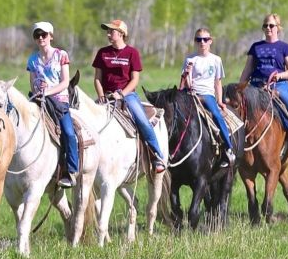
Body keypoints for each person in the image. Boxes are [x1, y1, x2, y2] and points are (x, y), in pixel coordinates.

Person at [93, 19, 166, 172]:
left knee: (142, 121)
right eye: (108, 31)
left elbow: (134, 80)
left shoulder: (132, 53)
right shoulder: (102, 53)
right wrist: (101, 96)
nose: (108, 34)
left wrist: (121, 94)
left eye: (111, 31)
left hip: (127, 95)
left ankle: (157, 156)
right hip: (106, 96)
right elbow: (97, 78)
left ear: (121, 34)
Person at [239, 13, 288, 160]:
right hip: (256, 85)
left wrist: (279, 75)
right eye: (265, 25)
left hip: (279, 84)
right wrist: (240, 87)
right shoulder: (255, 47)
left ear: (278, 28)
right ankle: (234, 144)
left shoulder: (284, 47)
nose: (268, 28)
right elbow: (247, 70)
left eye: (271, 25)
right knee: (238, 107)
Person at [27, 21, 79, 188]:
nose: (41, 38)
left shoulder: (60, 55)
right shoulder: (33, 59)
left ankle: (71, 170)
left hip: (59, 100)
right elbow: (32, 83)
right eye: (37, 35)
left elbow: (65, 83)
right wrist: (38, 88)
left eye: (44, 34)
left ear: (51, 36)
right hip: (39, 99)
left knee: (69, 133)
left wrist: (48, 91)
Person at [180, 27, 236, 167]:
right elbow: (185, 83)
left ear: (210, 41)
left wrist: (219, 101)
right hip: (191, 94)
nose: (202, 42)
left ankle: (228, 148)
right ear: (195, 41)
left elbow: (218, 82)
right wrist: (188, 74)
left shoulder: (216, 60)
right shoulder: (190, 59)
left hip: (207, 94)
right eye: (199, 39)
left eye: (205, 39)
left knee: (217, 116)